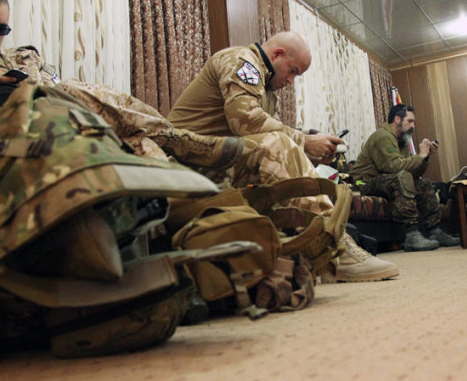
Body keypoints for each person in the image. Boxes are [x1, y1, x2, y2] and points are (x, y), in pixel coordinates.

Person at [0, 0, 242, 170]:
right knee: (73, 90)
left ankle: (176, 197)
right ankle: (179, 139)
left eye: (1, 28)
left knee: (133, 140)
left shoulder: (19, 58)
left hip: (47, 121)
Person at [167, 32, 399, 283]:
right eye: (293, 71)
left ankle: (300, 249)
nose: (291, 80)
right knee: (278, 146)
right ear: (277, 54)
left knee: (281, 150)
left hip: (216, 164)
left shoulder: (267, 91)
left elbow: (268, 129)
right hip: (182, 167)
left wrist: (309, 143)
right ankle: (334, 247)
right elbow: (245, 120)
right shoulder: (241, 60)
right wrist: (304, 142)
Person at [349, 104, 459, 252]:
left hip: (384, 180)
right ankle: (411, 234)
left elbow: (412, 172)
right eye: (410, 121)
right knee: (401, 177)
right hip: (361, 182)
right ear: (397, 119)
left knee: (424, 184)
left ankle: (434, 231)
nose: (413, 125)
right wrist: (419, 155)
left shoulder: (401, 141)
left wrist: (425, 158)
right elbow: (394, 167)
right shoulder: (382, 136)